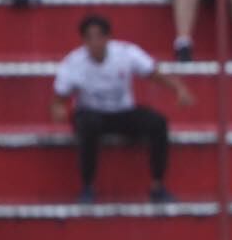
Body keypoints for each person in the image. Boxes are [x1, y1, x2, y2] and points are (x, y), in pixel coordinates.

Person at [51, 14, 194, 204]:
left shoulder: (126, 53)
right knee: (87, 124)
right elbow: (59, 98)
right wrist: (58, 109)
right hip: (91, 113)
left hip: (122, 111)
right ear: (84, 40)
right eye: (89, 38)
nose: (95, 42)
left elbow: (153, 73)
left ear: (108, 38)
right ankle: (87, 186)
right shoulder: (73, 62)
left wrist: (178, 88)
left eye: (99, 36)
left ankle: (157, 186)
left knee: (158, 123)